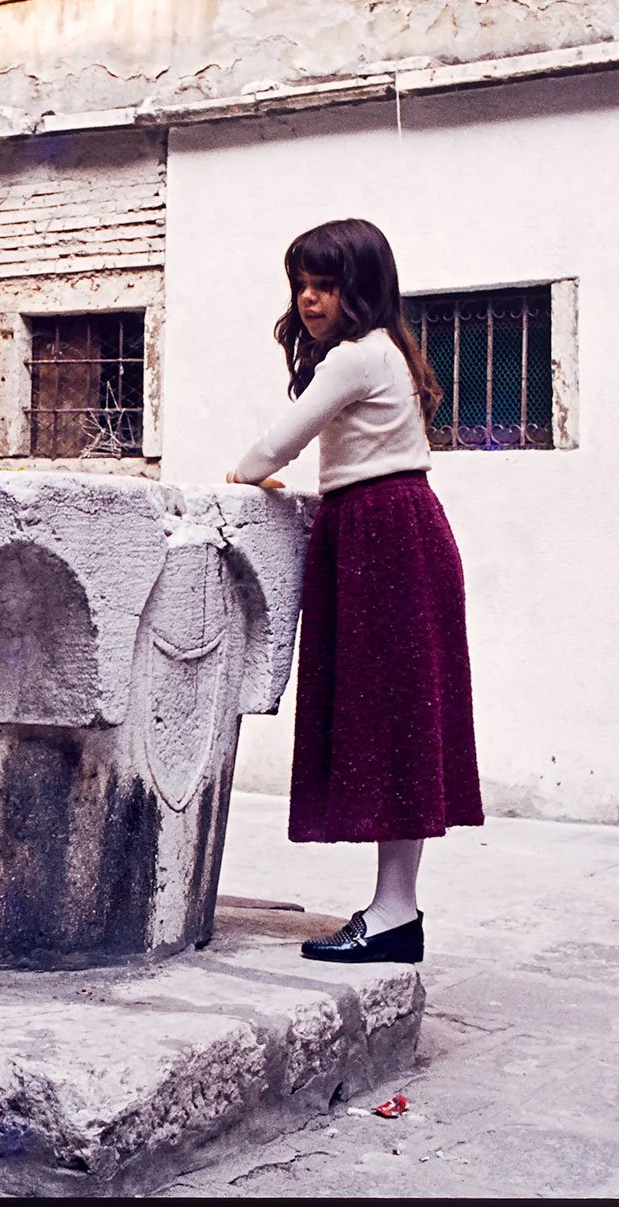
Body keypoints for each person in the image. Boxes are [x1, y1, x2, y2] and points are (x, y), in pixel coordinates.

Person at [226, 218, 483, 965]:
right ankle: (395, 908)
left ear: (358, 288)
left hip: (383, 536)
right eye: (301, 285)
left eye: (325, 285)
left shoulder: (355, 357)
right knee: (397, 722)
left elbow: (281, 441)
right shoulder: (385, 351)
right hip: (382, 532)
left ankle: (396, 911)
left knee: (395, 722)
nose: (308, 299)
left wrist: (243, 474)